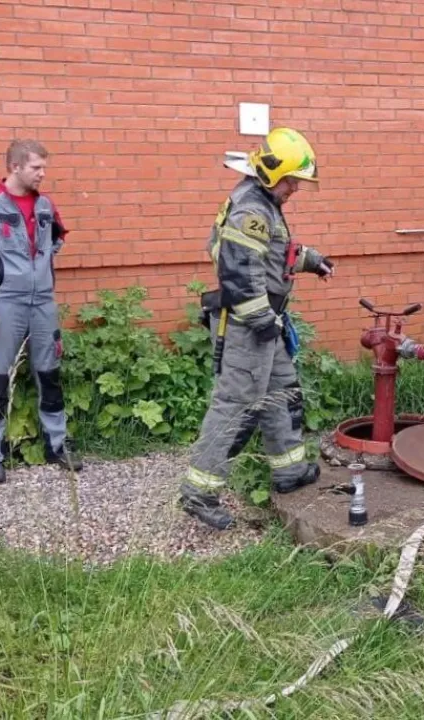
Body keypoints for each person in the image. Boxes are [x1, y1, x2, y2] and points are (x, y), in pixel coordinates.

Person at [180, 127, 335, 530]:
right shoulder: (251, 209)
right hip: (249, 326)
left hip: (264, 323)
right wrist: (264, 321)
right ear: (273, 173)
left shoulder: (263, 203)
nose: (295, 189)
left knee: (283, 393)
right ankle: (199, 493)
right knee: (235, 405)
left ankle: (289, 471)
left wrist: (311, 259)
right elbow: (240, 272)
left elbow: (273, 255)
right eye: (291, 181)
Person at [0, 140, 83, 485]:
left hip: (43, 302)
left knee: (50, 374)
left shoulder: (45, 204)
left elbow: (57, 238)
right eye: (36, 168)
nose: (43, 174)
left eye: (44, 167)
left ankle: (57, 445)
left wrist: (39, 268)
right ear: (15, 166)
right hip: (4, 304)